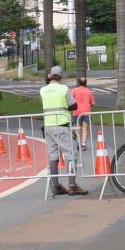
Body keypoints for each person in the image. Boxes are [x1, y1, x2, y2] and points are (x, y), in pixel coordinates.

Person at [39, 66, 87, 195]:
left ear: (50, 76)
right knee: (71, 154)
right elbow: (73, 105)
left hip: (48, 126)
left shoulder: (43, 90)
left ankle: (56, 186)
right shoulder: (64, 89)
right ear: (61, 76)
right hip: (62, 124)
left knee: (53, 155)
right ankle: (72, 185)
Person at [70, 76, 95, 150]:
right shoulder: (89, 91)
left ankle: (78, 142)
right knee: (85, 128)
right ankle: (83, 144)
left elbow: (70, 100)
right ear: (86, 83)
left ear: (79, 82)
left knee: (77, 128)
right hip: (86, 112)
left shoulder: (74, 90)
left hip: (76, 111)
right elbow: (93, 103)